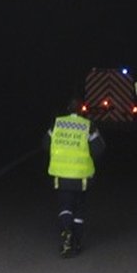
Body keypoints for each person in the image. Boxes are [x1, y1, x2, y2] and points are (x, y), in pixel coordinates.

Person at [44, 99, 106, 258]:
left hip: (61, 176)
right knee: (79, 209)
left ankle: (66, 232)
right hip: (81, 177)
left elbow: (45, 144)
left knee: (65, 207)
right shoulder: (88, 126)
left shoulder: (57, 124)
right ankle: (77, 242)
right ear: (82, 111)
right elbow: (99, 149)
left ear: (67, 109)